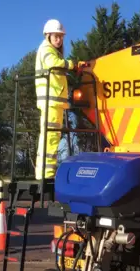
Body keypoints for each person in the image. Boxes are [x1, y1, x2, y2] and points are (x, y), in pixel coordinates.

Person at [34, 19, 87, 180]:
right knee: (50, 136)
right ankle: (46, 174)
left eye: (61, 37)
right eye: (56, 36)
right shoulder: (46, 50)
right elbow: (53, 63)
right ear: (48, 36)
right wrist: (72, 65)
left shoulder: (51, 50)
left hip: (54, 102)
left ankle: (45, 173)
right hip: (50, 101)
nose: (59, 39)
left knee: (52, 136)